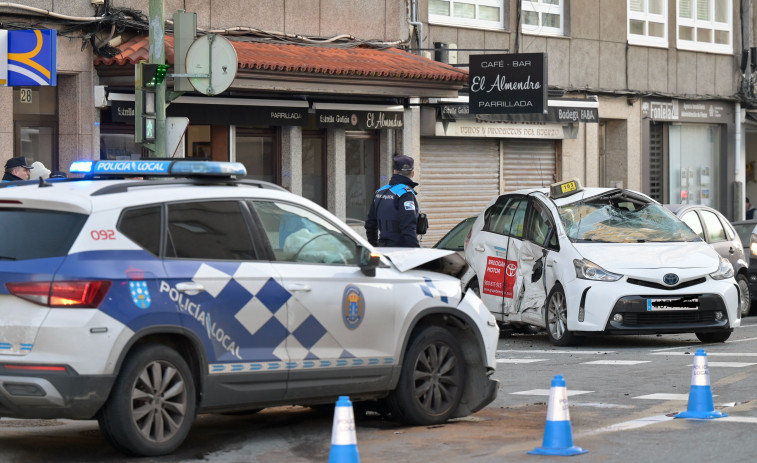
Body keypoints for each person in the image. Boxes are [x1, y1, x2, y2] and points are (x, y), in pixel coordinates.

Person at [365, 154, 420, 247]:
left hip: (383, 247)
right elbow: (408, 227)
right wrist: (416, 250)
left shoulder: (380, 192)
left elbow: (370, 224)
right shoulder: (405, 193)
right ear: (413, 173)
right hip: (401, 250)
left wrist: (374, 246)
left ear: (394, 171)